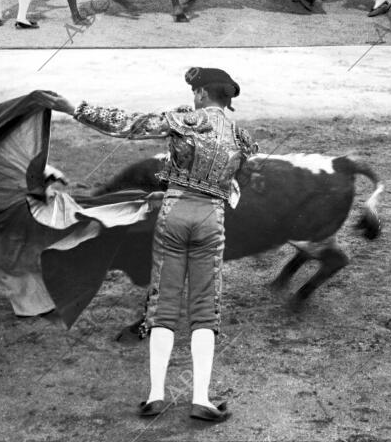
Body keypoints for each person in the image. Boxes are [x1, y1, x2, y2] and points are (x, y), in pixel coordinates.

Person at [69, 67, 257, 423]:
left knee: (164, 302)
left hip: (174, 214)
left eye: (195, 91)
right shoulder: (241, 137)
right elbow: (238, 185)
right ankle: (200, 398)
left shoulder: (185, 118)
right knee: (205, 306)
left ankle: (156, 395)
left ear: (202, 94)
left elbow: (128, 124)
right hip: (210, 219)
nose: (193, 97)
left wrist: (75, 107)